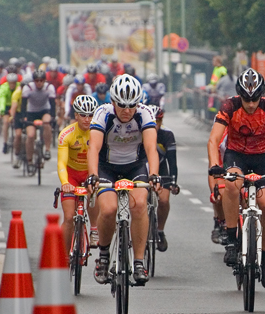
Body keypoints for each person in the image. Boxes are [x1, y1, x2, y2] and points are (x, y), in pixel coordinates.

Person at [206, 69, 265, 289]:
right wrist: (215, 165)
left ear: (261, 95)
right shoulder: (229, 106)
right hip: (236, 155)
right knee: (231, 185)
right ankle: (232, 240)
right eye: (246, 99)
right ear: (239, 95)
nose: (250, 104)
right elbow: (213, 140)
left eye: (255, 99)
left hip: (264, 157)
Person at [86, 74, 161, 285]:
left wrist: (154, 174)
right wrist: (92, 175)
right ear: (112, 102)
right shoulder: (102, 114)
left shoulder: (145, 114)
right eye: (122, 105)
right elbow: (94, 148)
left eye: (131, 105)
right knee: (108, 210)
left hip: (135, 166)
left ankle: (138, 262)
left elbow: (150, 148)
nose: (127, 110)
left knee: (138, 206)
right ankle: (103, 255)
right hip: (106, 167)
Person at [58, 95, 100, 252]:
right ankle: (63, 256)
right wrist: (65, 183)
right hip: (72, 175)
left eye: (91, 115)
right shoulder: (66, 134)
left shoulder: (98, 132)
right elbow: (61, 163)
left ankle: (94, 229)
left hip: (90, 172)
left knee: (94, 193)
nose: (87, 119)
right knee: (69, 217)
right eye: (83, 115)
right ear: (76, 115)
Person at [152, 107, 180, 252]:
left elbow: (172, 162)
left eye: (157, 122)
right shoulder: (138, 133)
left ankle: (160, 231)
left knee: (163, 200)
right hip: (144, 169)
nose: (154, 125)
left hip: (162, 169)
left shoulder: (167, 135)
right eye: (151, 122)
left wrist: (173, 182)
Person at [18, 69, 56, 165]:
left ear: (44, 81)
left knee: (47, 123)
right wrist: (24, 117)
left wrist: (53, 116)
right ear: (34, 81)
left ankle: (47, 149)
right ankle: (29, 159)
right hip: (31, 112)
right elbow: (23, 104)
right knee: (30, 136)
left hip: (44, 110)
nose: (39, 83)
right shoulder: (28, 88)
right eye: (37, 80)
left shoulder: (49, 87)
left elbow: (52, 105)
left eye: (41, 80)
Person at [0, 73, 19, 154]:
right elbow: (1, 99)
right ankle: (5, 143)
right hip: (7, 105)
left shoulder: (19, 87)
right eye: (10, 83)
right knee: (6, 122)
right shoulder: (4, 87)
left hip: (16, 106)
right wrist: (2, 110)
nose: (12, 85)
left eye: (14, 83)